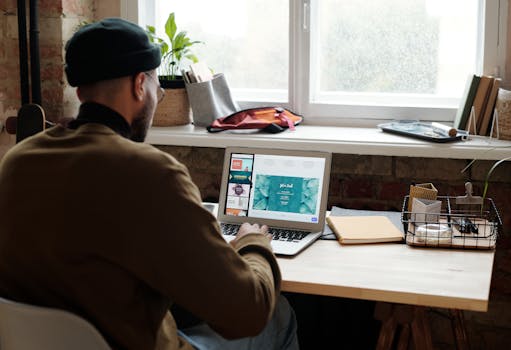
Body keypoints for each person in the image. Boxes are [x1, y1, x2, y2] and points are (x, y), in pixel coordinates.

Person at [0, 18, 298, 350]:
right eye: (157, 84)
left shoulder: (18, 161)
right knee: (278, 315)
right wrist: (252, 242)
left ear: (81, 90)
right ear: (139, 84)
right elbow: (248, 312)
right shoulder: (150, 174)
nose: (158, 94)